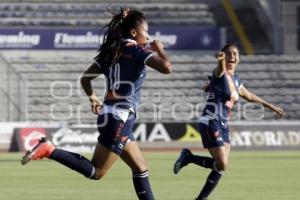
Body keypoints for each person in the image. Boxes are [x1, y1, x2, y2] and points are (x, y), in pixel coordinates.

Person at [21, 8, 171, 200]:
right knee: (97, 172)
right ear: (134, 32)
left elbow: (86, 79)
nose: (148, 35)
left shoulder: (111, 51)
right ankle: (49, 150)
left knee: (140, 166)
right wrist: (160, 50)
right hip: (121, 118)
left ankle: (49, 150)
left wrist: (93, 97)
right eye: (146, 31)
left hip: (110, 114)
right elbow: (167, 68)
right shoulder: (137, 50)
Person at [173, 44, 284, 200]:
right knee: (222, 164)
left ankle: (190, 162)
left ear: (239, 58)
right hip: (211, 120)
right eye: (229, 54)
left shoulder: (236, 79)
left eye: (236, 54)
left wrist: (270, 106)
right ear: (223, 56)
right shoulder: (219, 73)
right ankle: (188, 158)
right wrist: (220, 62)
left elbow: (249, 96)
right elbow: (219, 70)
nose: (233, 56)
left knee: (221, 167)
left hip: (224, 124)